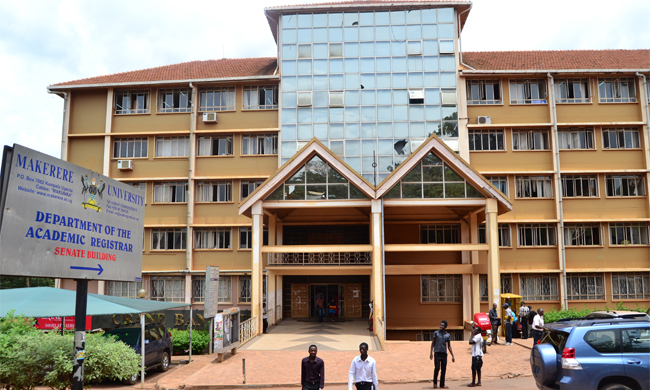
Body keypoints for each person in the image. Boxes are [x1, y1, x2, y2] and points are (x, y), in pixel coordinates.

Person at [429, 320, 455, 389]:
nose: (441, 326)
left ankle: (442, 384)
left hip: (444, 354)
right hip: (437, 353)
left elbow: (449, 346)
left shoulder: (448, 335)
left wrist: (452, 355)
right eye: (440, 325)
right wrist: (431, 352)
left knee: (443, 369)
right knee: (437, 368)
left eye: (442, 325)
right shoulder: (436, 333)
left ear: (445, 327)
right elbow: (433, 343)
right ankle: (435, 383)